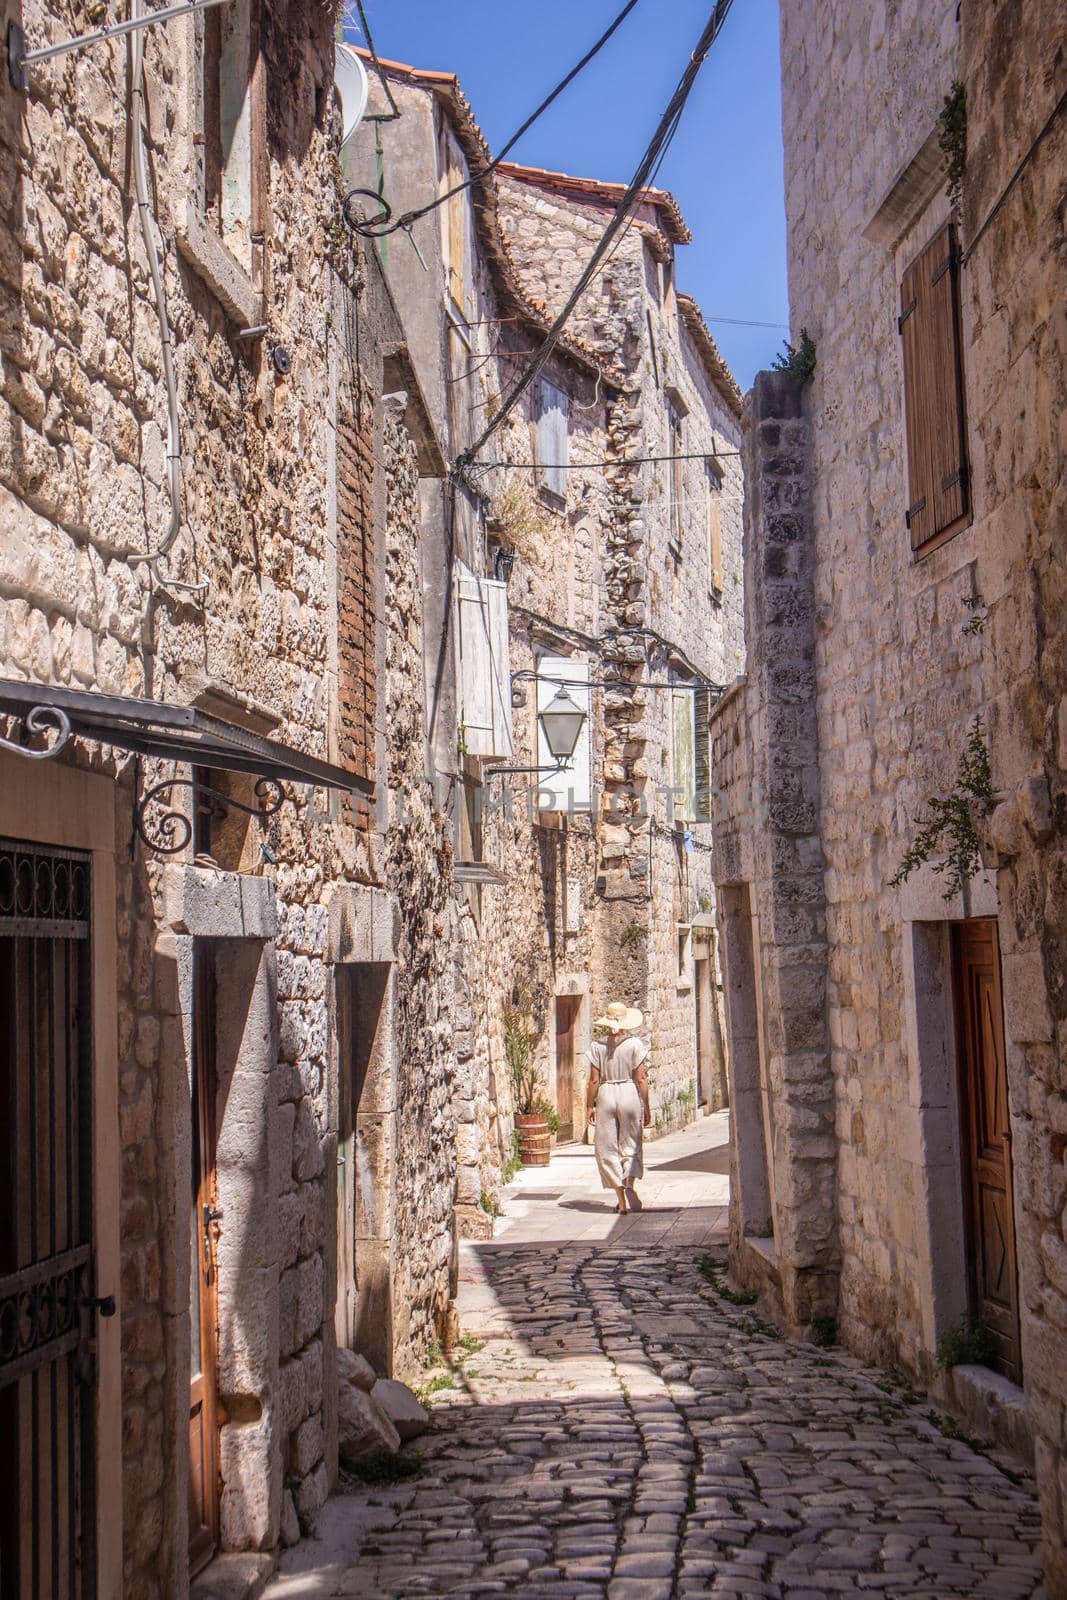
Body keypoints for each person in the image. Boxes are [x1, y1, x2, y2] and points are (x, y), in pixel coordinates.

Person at [586, 1001, 652, 1213]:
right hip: (628, 1092)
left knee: (606, 1146)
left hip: (606, 1093)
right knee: (631, 1142)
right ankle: (630, 1183)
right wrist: (647, 1105)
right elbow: (640, 1078)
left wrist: (590, 1105)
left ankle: (620, 1198)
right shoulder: (634, 1044)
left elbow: (594, 1080)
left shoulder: (597, 1046)